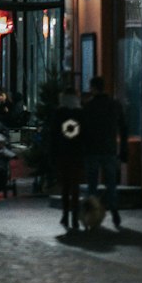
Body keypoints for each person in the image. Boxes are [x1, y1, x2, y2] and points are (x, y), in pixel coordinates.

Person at [81, 74, 128, 228]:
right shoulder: (115, 105)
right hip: (109, 150)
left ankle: (92, 217)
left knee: (92, 186)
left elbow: (82, 130)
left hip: (92, 151)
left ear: (93, 88)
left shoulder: (87, 107)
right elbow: (123, 128)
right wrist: (123, 149)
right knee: (111, 184)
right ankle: (114, 212)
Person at [53, 86, 84, 230]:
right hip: (77, 153)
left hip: (62, 154)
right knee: (75, 187)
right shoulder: (81, 113)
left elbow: (53, 134)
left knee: (65, 187)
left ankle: (65, 215)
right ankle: (75, 217)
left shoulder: (58, 113)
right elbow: (86, 134)